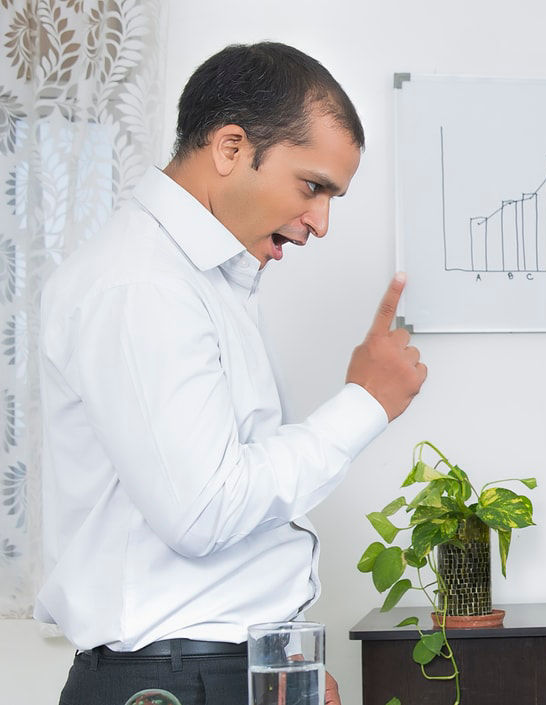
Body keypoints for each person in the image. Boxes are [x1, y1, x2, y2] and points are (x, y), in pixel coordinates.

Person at [36, 43, 425, 705]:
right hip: (175, 682)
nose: (321, 223)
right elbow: (204, 510)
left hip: (216, 673)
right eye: (313, 186)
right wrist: (366, 401)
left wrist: (281, 660)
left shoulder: (200, 280)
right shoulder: (143, 285)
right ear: (229, 147)